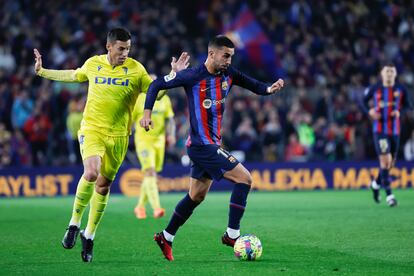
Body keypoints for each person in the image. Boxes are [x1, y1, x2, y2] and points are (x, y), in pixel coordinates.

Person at [33, 27, 189, 262]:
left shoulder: (136, 70)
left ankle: (90, 235)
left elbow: (156, 93)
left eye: (128, 48)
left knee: (103, 186)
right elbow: (73, 75)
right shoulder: (93, 64)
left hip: (119, 136)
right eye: (121, 48)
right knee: (91, 172)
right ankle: (74, 224)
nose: (125, 52)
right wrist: (42, 71)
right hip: (92, 129)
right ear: (109, 46)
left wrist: (173, 75)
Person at [140, 35, 284, 261]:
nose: (228, 60)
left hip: (209, 144)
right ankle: (232, 234)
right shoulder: (193, 76)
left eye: (231, 56)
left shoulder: (229, 74)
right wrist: (147, 112)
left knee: (196, 196)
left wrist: (268, 89)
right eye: (225, 56)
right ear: (211, 54)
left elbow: (253, 84)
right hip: (201, 146)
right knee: (244, 179)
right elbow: (156, 84)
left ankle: (166, 236)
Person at [363, 62, 412, 207]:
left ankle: (375, 184)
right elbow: (363, 101)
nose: (389, 73)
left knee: (390, 164)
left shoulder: (401, 89)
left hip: (395, 130)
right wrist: (369, 111)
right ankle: (390, 196)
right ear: (382, 73)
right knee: (385, 161)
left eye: (392, 71)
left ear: (395, 74)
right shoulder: (375, 88)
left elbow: (408, 105)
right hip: (380, 130)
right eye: (387, 71)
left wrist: (400, 112)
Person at [132, 90, 176, 219]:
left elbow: (170, 119)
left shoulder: (165, 99)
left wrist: (171, 135)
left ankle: (139, 206)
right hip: (143, 140)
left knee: (151, 174)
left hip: (159, 141)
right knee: (150, 172)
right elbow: (130, 118)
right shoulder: (139, 98)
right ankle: (157, 208)